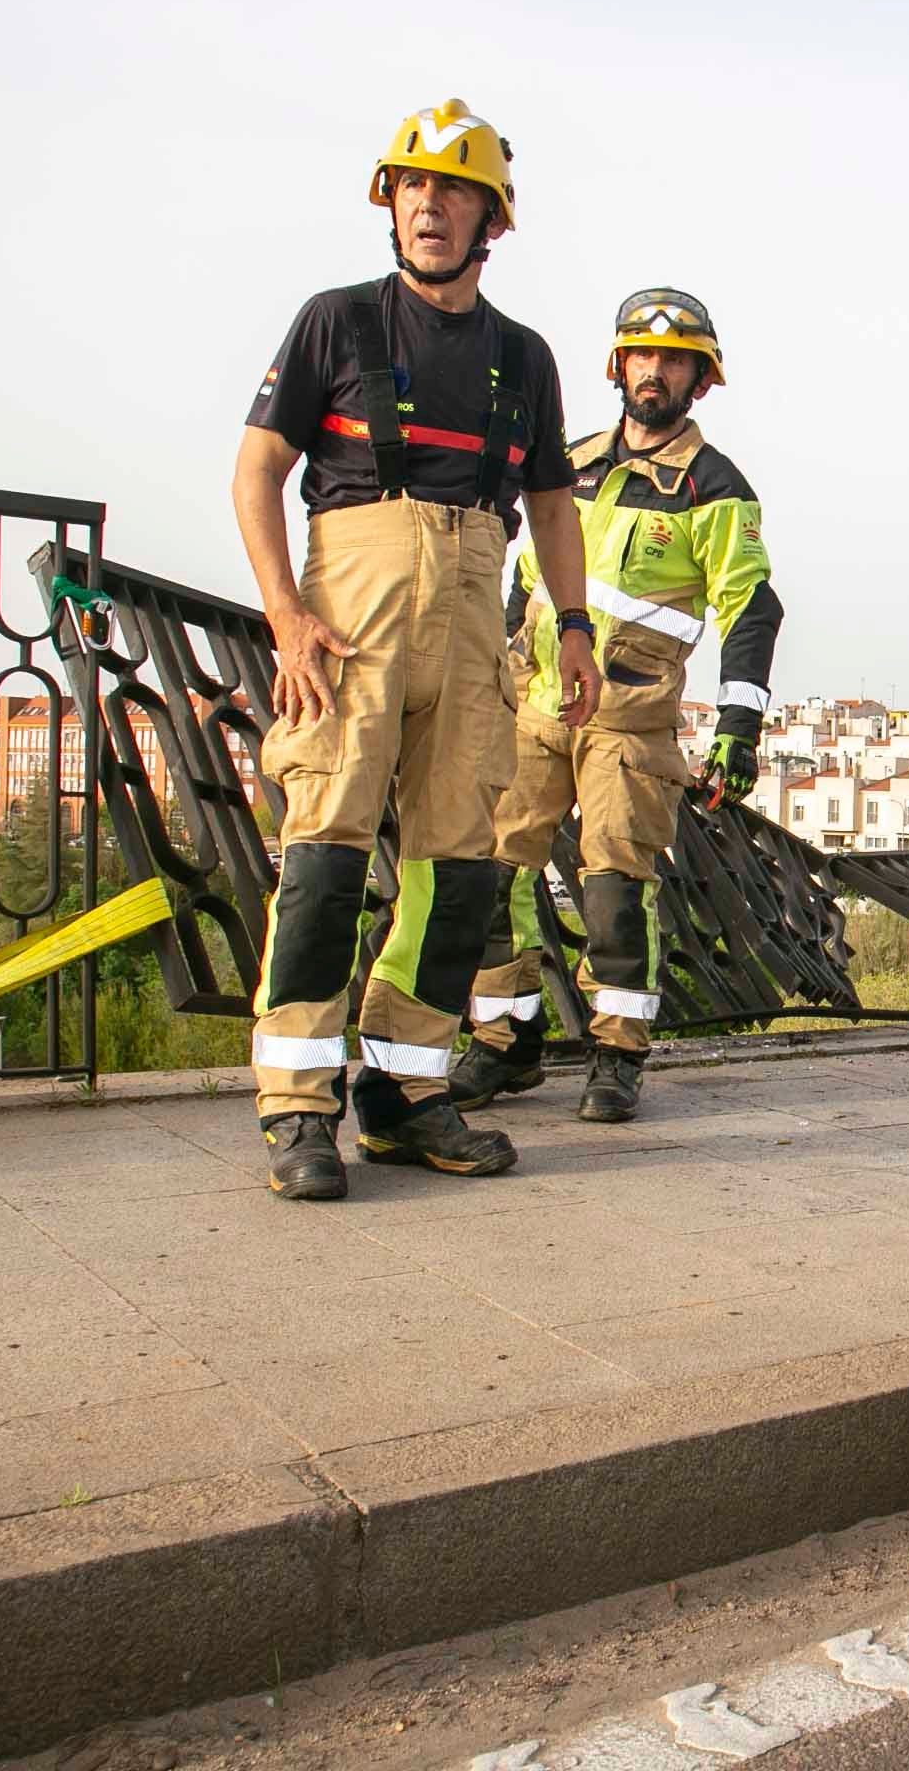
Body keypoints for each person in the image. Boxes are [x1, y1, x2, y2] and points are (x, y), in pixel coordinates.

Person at [232, 99, 600, 1201]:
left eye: (453, 191)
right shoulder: (335, 323)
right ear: (388, 203)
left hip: (478, 610)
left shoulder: (522, 357)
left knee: (458, 871)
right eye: (412, 187)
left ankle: (402, 1096)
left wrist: (571, 627)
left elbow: (551, 503)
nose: (429, 206)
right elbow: (257, 472)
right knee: (328, 856)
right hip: (352, 611)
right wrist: (287, 614)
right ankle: (299, 1107)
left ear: (493, 218)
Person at [451, 287, 782, 1122]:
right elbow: (526, 576)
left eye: (674, 360)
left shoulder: (715, 486)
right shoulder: (572, 460)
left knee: (612, 886)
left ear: (698, 381)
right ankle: (503, 1039)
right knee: (493, 872)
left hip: (630, 719)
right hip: (535, 701)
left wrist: (740, 726)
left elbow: (751, 608)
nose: (654, 371)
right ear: (618, 365)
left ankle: (616, 1052)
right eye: (642, 355)